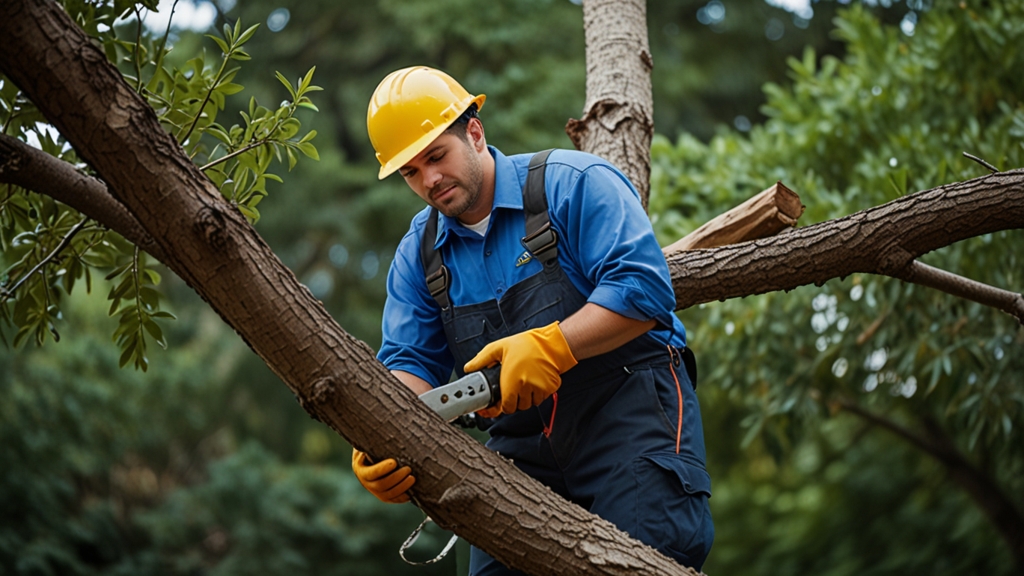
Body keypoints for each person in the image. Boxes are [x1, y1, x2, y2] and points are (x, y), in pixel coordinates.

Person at [352, 66, 713, 574]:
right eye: (410, 172)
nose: (429, 180)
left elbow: (645, 289)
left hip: (631, 418)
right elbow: (409, 363)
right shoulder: (418, 256)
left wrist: (554, 344)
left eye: (436, 156)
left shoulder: (574, 185)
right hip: (519, 456)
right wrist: (379, 430)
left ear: (474, 132)